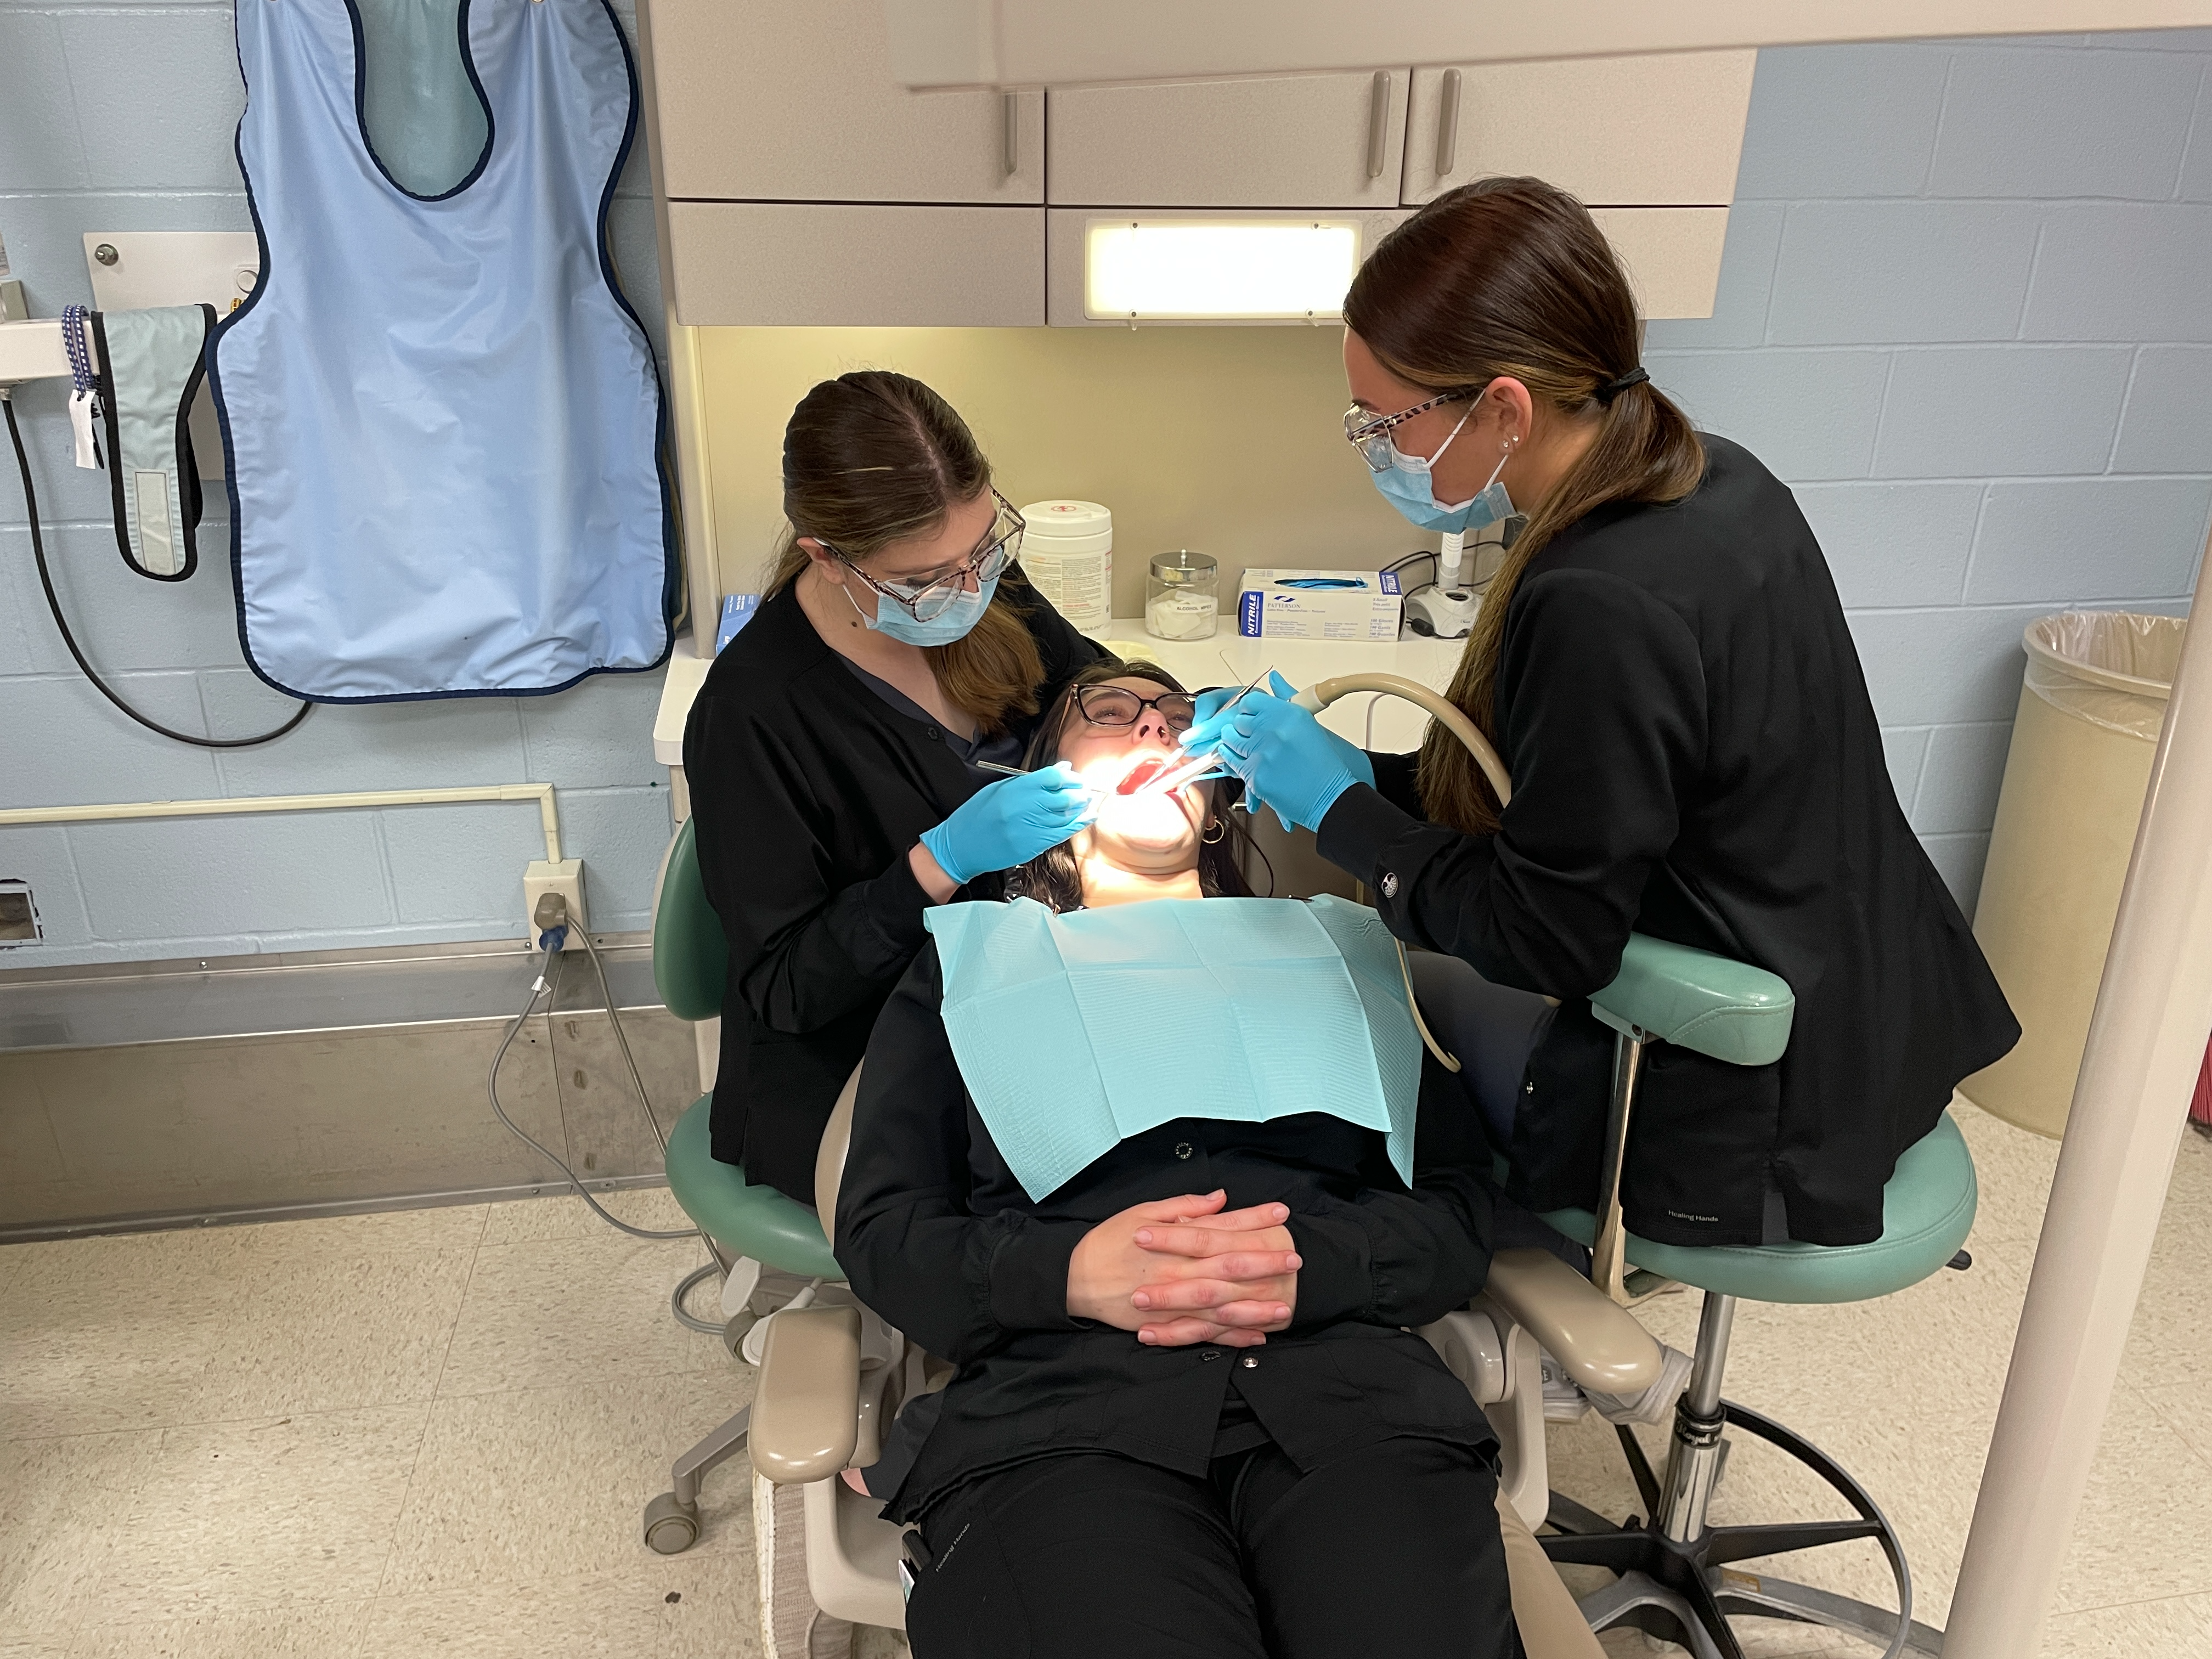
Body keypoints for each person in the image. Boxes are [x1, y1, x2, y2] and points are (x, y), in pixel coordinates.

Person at [1182, 177, 2018, 1252]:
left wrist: (1343, 815)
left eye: (1385, 421)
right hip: (1870, 1014)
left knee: (1374, 1025)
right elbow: (1572, 791)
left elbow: (1546, 936)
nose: (1373, 446)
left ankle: (1524, 1336)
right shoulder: (1711, 480)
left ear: (1503, 408)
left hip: (1750, 1097)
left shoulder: (1596, 599)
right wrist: (1362, 774)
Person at [835, 659, 1523, 1659]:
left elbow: (1459, 1208)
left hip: (1345, 1396)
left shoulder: (1341, 948)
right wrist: (1066, 1275)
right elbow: (885, 1232)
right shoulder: (969, 969)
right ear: (1043, 790)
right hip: (1060, 1421)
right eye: (1110, 716)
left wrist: (1318, 1268)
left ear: (1215, 802)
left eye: (1177, 719)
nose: (1153, 731)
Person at [682, 371, 1105, 1203]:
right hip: (861, 1062)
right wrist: (936, 866)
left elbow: (1089, 683)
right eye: (922, 578)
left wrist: (1169, 714)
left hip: (1011, 1000)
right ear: (827, 559)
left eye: (983, 550)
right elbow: (787, 985)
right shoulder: (753, 715)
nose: (967, 589)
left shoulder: (981, 586)